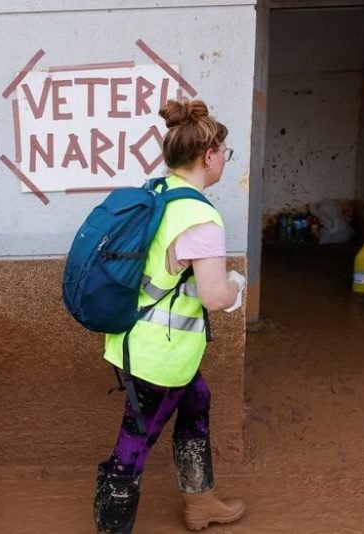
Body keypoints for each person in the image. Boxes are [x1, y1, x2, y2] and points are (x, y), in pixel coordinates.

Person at [93, 99, 247, 533]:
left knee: (198, 400)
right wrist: (237, 285)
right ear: (208, 156)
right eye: (225, 154)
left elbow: (169, 272)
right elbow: (216, 297)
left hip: (140, 340)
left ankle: (201, 504)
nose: (224, 161)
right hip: (160, 356)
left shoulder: (158, 193)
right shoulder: (199, 215)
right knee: (134, 444)